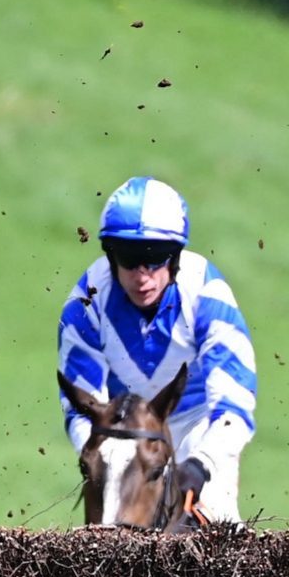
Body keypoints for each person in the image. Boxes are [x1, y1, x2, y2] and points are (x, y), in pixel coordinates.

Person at [58, 176, 257, 522]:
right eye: (129, 258)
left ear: (175, 259)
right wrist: (102, 455)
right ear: (110, 256)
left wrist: (203, 463)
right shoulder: (85, 305)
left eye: (156, 259)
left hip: (198, 427)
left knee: (218, 518)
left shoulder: (208, 294)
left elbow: (234, 404)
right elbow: (81, 410)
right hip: (121, 438)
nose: (142, 275)